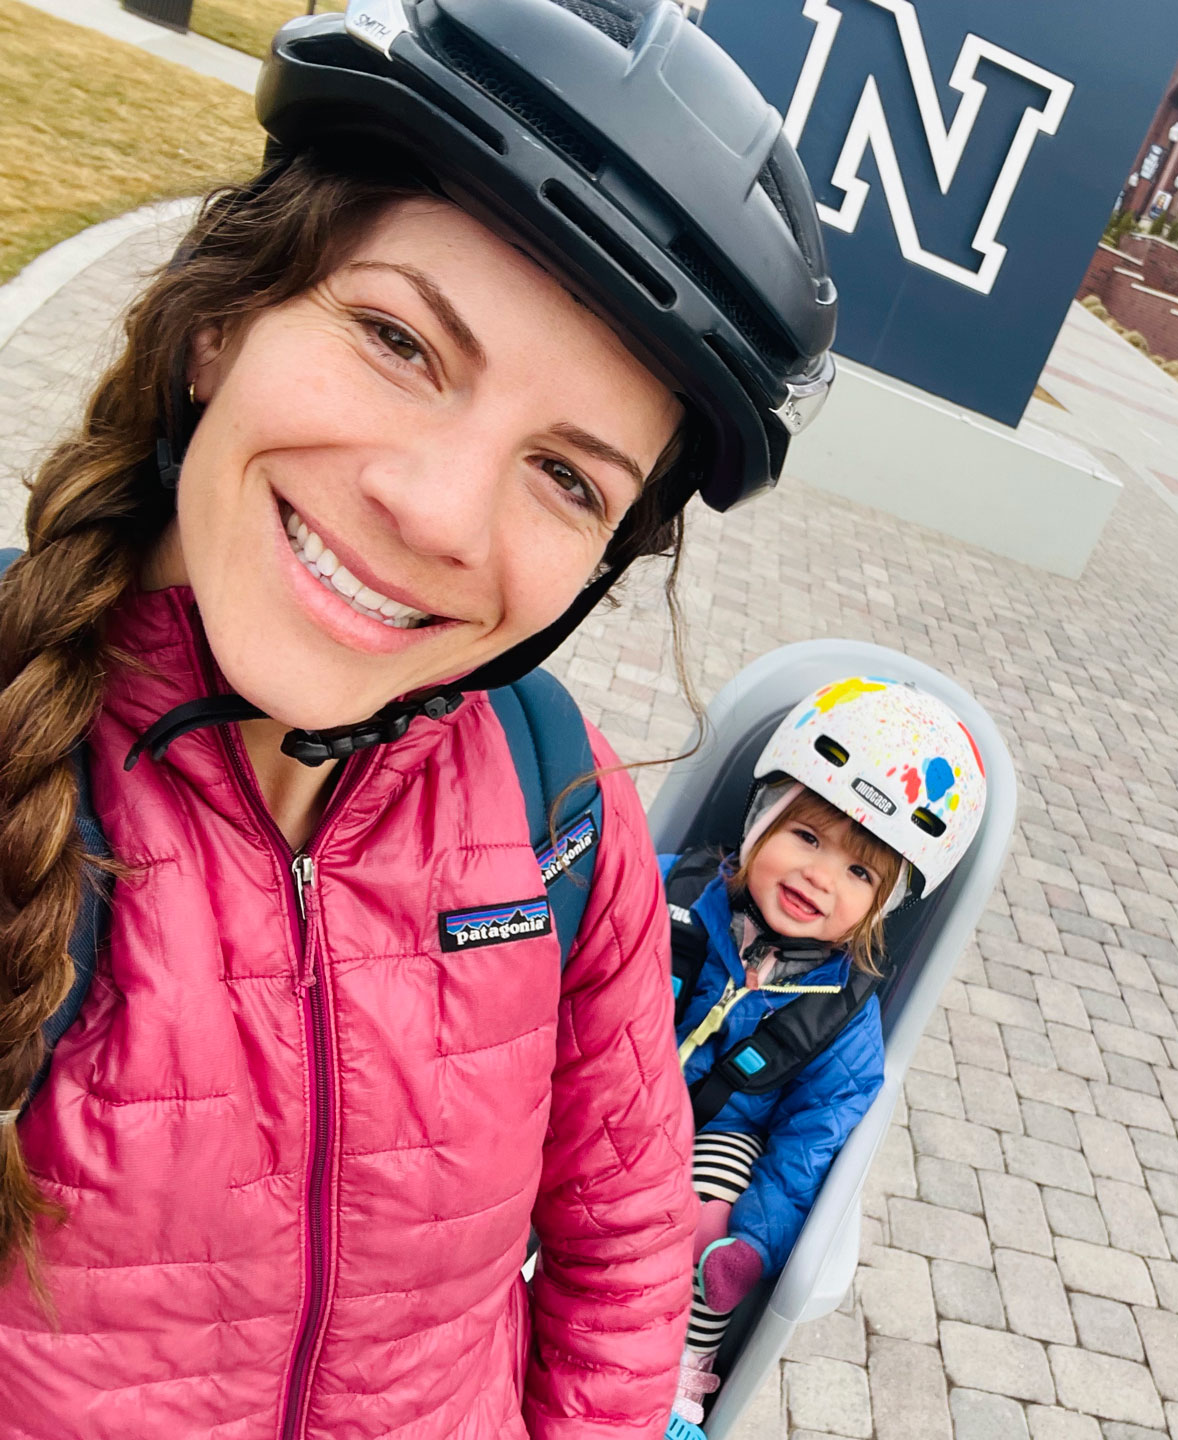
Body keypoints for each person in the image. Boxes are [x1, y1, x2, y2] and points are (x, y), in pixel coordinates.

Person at [0, 1, 836, 1435]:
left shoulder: (559, 809)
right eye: (398, 339)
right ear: (220, 325)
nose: (438, 514)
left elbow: (627, 1250)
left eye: (568, 476)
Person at [661, 679, 987, 1426]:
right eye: (805, 837)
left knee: (727, 1176)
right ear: (759, 827)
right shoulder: (665, 892)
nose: (820, 876)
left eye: (860, 872)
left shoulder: (843, 1022)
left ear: (881, 906)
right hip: (607, 1110)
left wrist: (753, 1240)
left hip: (707, 1169)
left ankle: (682, 1366)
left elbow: (811, 1144)